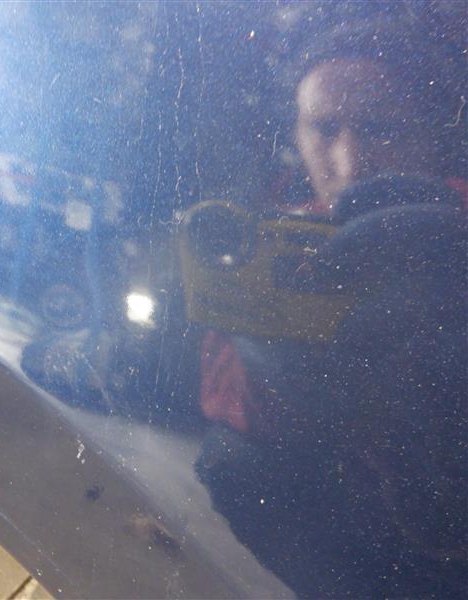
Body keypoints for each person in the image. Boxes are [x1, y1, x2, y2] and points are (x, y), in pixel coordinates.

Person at [197, 9, 467, 598]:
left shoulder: (457, 239)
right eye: (324, 128)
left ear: (435, 138)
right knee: (230, 461)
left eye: (381, 129)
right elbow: (223, 403)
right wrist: (280, 376)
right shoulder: (286, 241)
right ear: (295, 138)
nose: (350, 161)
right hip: (359, 537)